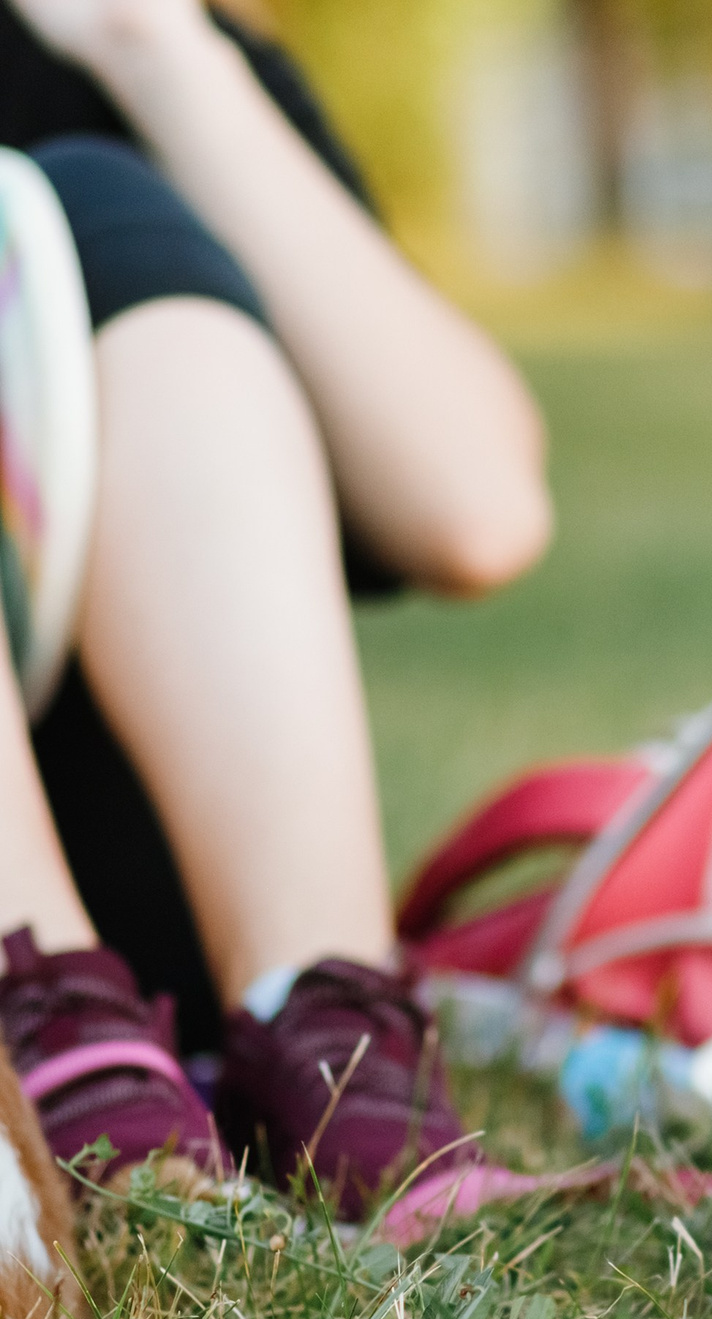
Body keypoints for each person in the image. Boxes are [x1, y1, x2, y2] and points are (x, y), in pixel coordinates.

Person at [0, 0, 553, 1220]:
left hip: (166, 960)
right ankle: (33, 1014)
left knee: (97, 202)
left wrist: (152, 46)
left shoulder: (140, 50)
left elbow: (479, 504)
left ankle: (333, 1045)